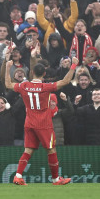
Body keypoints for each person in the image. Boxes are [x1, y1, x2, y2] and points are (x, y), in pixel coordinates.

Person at [5, 52, 79, 186]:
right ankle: (56, 179)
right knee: (51, 150)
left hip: (29, 122)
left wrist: (7, 67)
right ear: (44, 74)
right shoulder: (46, 87)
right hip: (44, 123)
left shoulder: (24, 86)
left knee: (28, 150)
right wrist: (73, 65)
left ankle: (18, 176)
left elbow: (8, 84)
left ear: (32, 72)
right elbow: (65, 81)